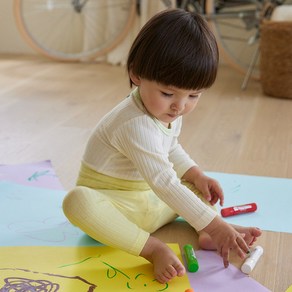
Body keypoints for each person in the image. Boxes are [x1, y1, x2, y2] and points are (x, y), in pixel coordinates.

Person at [62, 8, 261, 284]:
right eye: (168, 93)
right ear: (136, 75)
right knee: (77, 202)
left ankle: (204, 231)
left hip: (152, 200)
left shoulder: (165, 111)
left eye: (194, 95)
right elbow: (165, 182)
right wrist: (216, 223)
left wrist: (195, 173)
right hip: (118, 206)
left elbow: (169, 149)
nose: (180, 106)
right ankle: (153, 248)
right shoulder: (132, 123)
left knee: (198, 188)